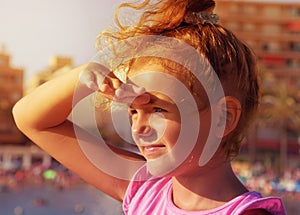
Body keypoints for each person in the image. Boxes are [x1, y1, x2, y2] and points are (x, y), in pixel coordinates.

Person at [12, 0, 287, 214]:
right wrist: (88, 73)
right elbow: (30, 119)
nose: (139, 128)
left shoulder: (246, 213)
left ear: (222, 118)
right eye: (132, 111)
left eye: (157, 110)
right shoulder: (146, 189)